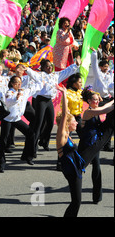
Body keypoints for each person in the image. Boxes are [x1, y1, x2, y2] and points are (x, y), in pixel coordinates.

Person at [55, 85, 113, 217]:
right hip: (72, 169)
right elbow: (64, 113)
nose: (77, 122)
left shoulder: (68, 135)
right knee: (76, 202)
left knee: (76, 201)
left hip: (77, 167)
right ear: (67, 123)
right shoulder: (62, 134)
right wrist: (64, 93)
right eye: (74, 121)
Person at [24, 59, 80, 153]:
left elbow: (65, 72)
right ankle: (32, 148)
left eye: (50, 66)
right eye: (47, 66)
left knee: (50, 123)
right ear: (43, 68)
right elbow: (33, 74)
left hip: (49, 100)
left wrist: (75, 65)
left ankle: (44, 142)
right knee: (39, 124)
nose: (49, 67)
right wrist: (27, 70)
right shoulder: (40, 75)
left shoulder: (55, 75)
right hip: (40, 100)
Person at [78, 87, 114, 204]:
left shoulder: (96, 108)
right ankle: (76, 193)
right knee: (79, 169)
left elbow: (104, 107)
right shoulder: (88, 112)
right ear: (88, 101)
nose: (97, 102)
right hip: (87, 144)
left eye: (97, 100)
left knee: (97, 168)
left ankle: (97, 197)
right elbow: (104, 110)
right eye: (94, 100)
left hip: (95, 143)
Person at [0, 76, 36, 172]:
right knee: (3, 141)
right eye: (17, 83)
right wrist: (16, 98)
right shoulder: (9, 92)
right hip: (8, 119)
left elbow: (33, 89)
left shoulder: (22, 91)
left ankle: (27, 156)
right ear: (12, 84)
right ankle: (0, 164)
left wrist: (41, 83)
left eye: (20, 82)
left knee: (31, 133)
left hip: (17, 119)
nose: (19, 84)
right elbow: (8, 102)